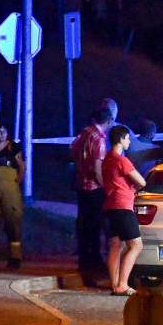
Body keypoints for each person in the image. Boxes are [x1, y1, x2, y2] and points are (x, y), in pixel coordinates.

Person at [69, 104, 115, 285]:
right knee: (95, 225)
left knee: (83, 224)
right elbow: (97, 167)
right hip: (94, 188)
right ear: (109, 120)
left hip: (81, 186)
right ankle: (93, 261)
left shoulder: (84, 134)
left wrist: (81, 168)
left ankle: (84, 260)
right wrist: (106, 187)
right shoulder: (99, 138)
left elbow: (72, 153)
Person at [101, 125, 146, 296]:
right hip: (123, 206)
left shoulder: (107, 160)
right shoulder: (122, 160)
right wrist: (133, 187)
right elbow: (141, 182)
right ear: (120, 139)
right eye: (127, 138)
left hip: (110, 206)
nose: (129, 142)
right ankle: (122, 284)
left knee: (116, 245)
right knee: (136, 245)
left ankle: (115, 284)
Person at [0, 123, 26, 268]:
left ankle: (15, 258)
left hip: (11, 188)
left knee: (13, 223)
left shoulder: (15, 148)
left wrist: (16, 183)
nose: (2, 133)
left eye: (4, 130)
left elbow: (22, 168)